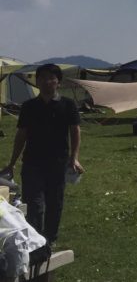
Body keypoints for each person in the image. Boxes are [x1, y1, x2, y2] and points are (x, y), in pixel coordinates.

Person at [5, 63, 83, 245]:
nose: (47, 81)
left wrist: (74, 158)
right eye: (42, 78)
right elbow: (21, 135)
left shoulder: (67, 105)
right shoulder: (29, 107)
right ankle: (35, 241)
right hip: (32, 162)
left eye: (51, 78)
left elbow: (75, 131)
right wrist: (12, 162)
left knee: (55, 204)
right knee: (34, 204)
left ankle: (50, 240)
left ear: (58, 82)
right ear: (37, 82)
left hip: (58, 162)